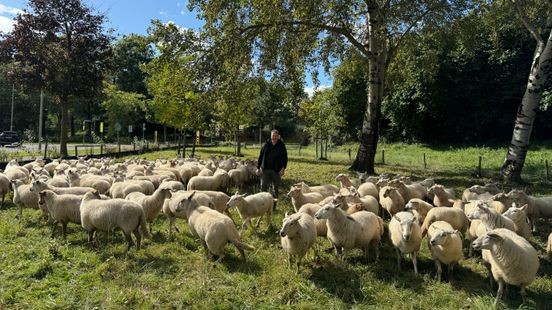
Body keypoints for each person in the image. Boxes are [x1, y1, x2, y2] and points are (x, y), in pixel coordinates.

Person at [256, 129, 288, 206]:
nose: (274, 137)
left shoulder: (282, 146)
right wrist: (258, 168)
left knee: (275, 189)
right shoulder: (266, 145)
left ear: (278, 137)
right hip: (265, 170)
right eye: (273, 135)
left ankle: (273, 206)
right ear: (271, 136)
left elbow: (285, 158)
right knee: (263, 188)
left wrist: (283, 169)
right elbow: (260, 156)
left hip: (276, 171)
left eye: (276, 136)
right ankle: (262, 205)